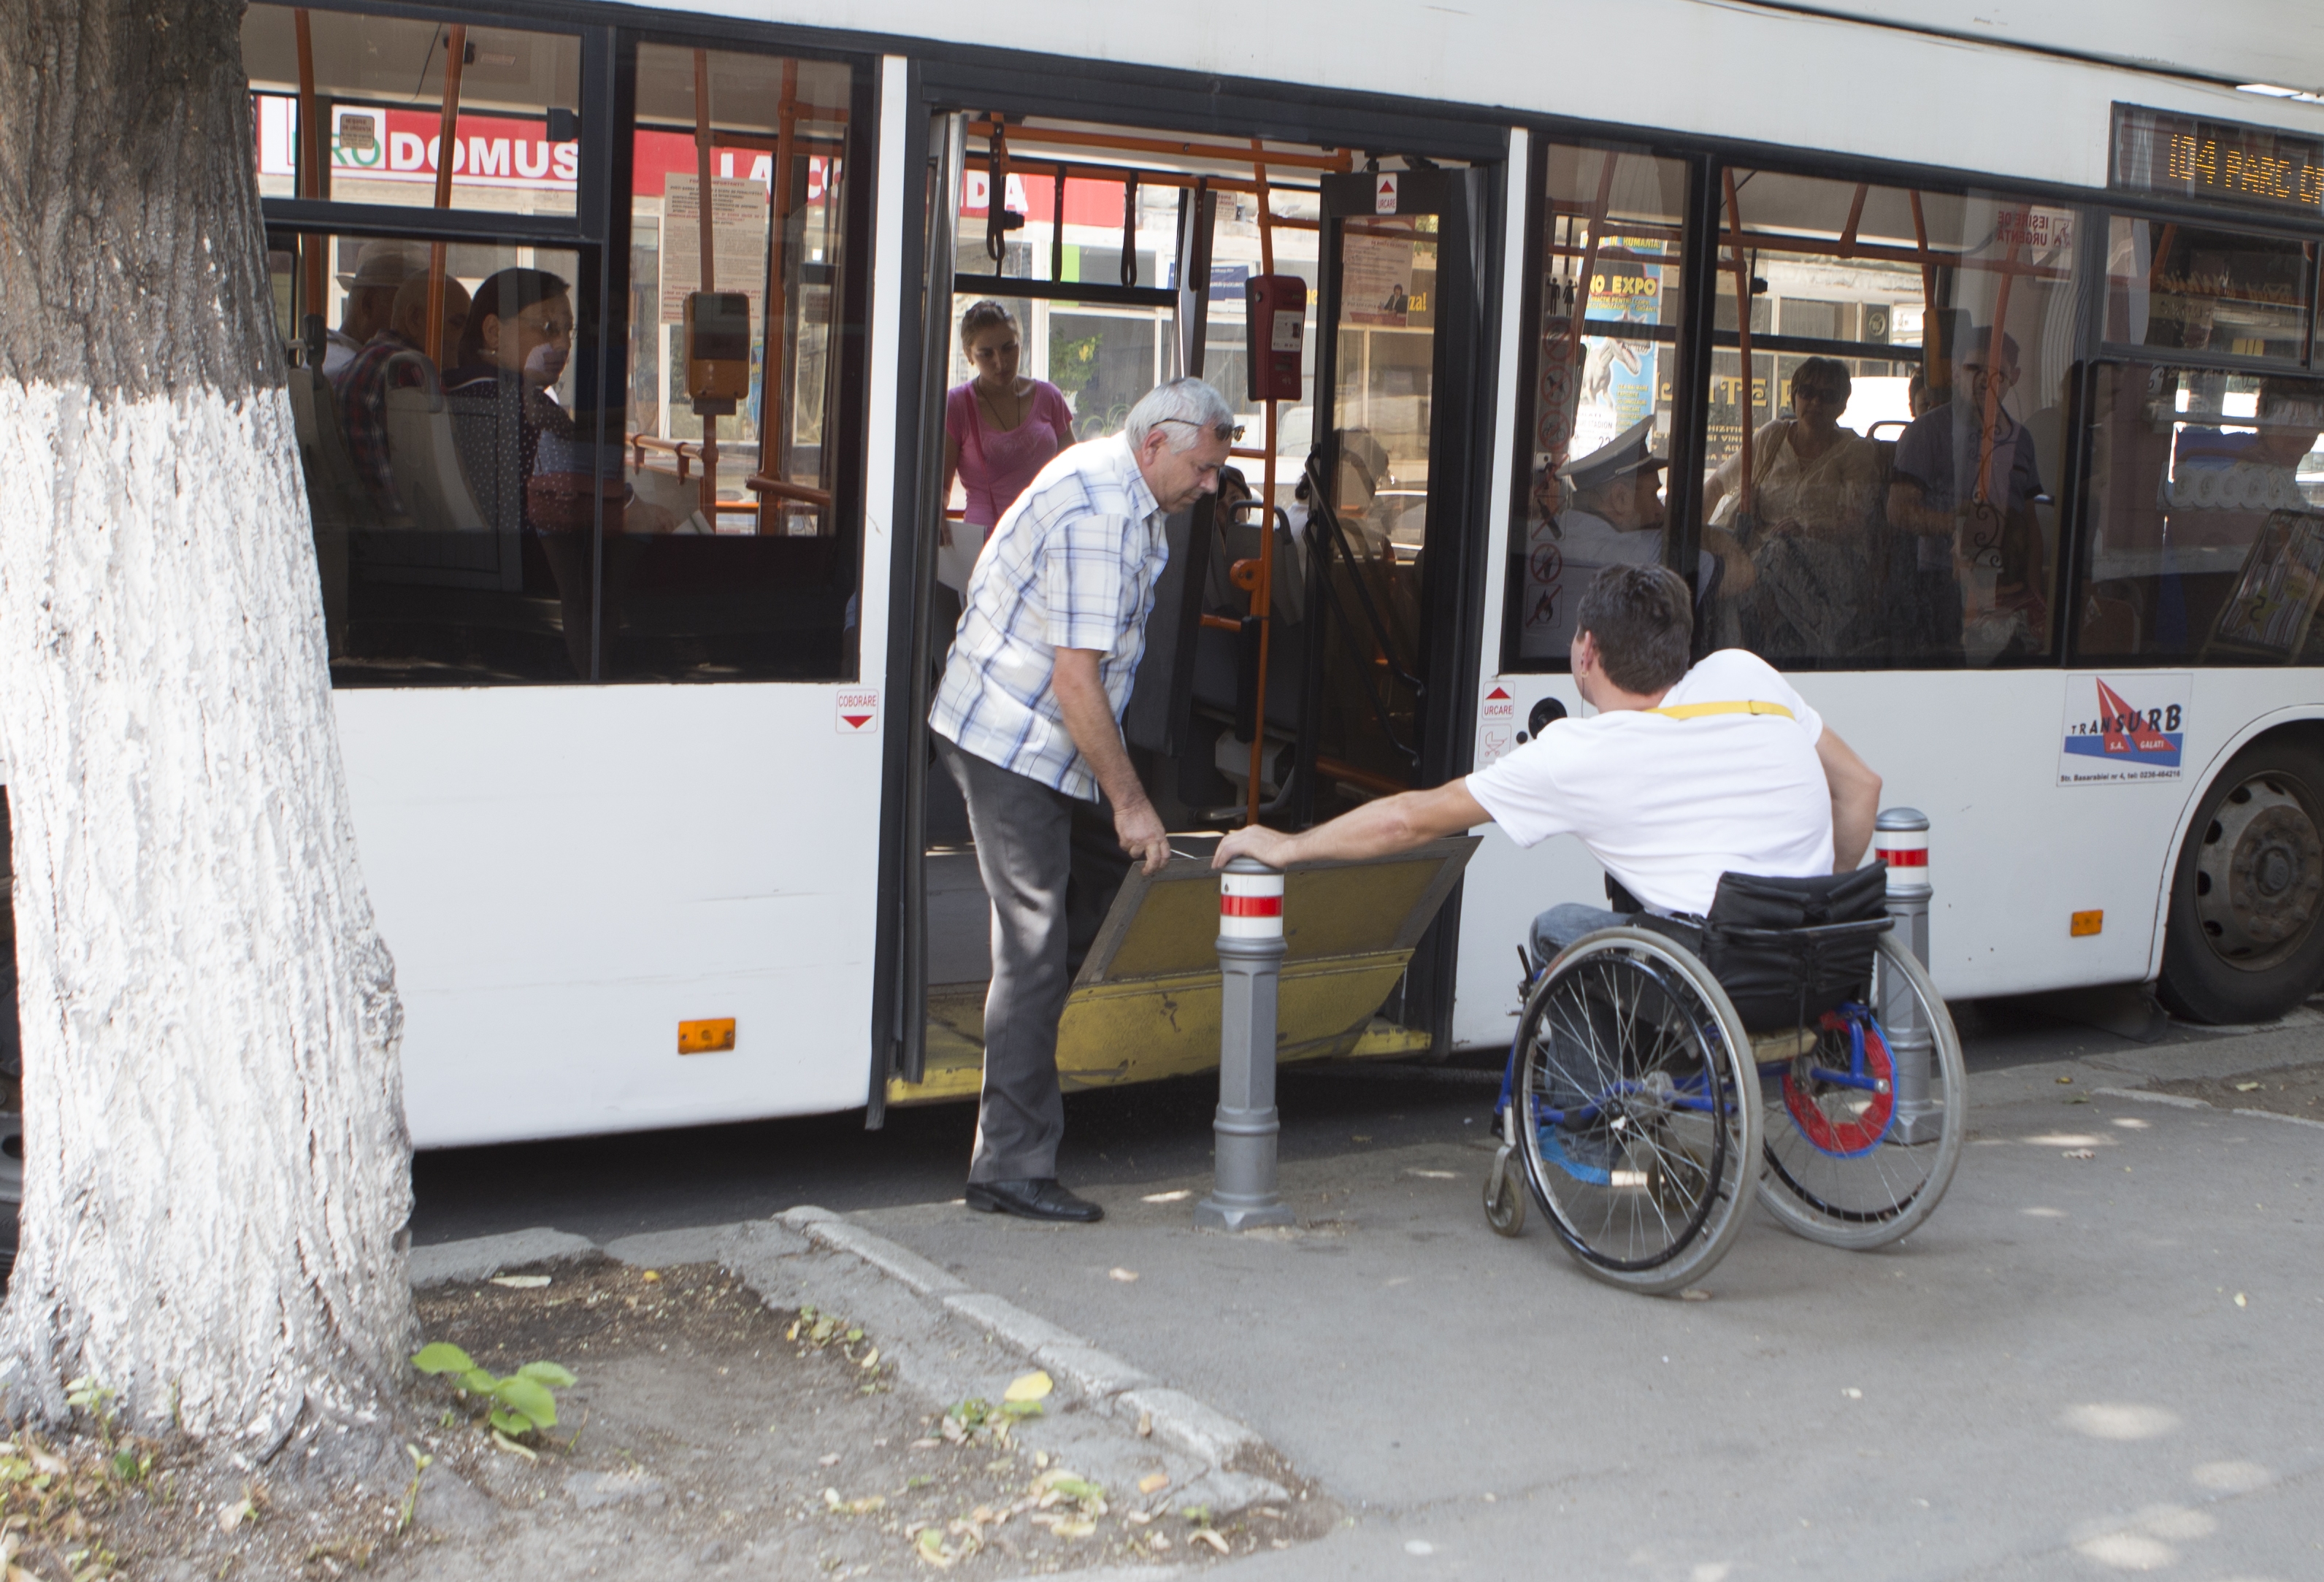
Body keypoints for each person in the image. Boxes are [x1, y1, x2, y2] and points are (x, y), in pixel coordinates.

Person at [1214, 563, 1883, 973]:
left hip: (1717, 965)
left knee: (1559, 929)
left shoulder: (1577, 754)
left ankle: (1585, 1138)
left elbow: (1408, 820)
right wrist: (1814, 904)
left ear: (1586, 651)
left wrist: (1289, 845)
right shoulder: (1744, 672)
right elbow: (1860, 788)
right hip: (1813, 955)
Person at [929, 377, 1237, 1223]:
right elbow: (1077, 682)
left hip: (1025, 727)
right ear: (1156, 447)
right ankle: (1011, 1164)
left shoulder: (1117, 479)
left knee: (1101, 889)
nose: (1210, 488)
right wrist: (1132, 803)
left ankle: (1021, 1067)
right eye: (1205, 470)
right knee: (1035, 939)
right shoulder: (1105, 513)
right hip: (1012, 736)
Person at [1701, 358, 1882, 656]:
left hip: (1830, 560)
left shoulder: (1855, 452)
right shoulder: (1773, 437)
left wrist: (1808, 530)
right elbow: (1718, 485)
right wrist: (1693, 536)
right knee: (1742, 561)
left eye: (1827, 396)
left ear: (1842, 405)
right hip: (1763, 555)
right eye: (1807, 392)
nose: (1814, 402)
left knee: (1773, 555)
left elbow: (1855, 525)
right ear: (1794, 396)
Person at [1887, 326, 2047, 658]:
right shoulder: (1927, 432)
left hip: (2006, 584)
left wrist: (2033, 589)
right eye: (1974, 368)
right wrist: (1960, 522)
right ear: (1956, 370)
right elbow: (1899, 510)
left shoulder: (2022, 440)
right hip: (1941, 579)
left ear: (2013, 377)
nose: (1984, 381)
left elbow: (2031, 520)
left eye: (1997, 373)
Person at [1523, 417, 1744, 656]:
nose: (1660, 510)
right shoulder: (1646, 552)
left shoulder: (1539, 533)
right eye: (1652, 495)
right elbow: (1743, 572)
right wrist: (1688, 527)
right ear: (1620, 499)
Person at [940, 302, 1075, 593]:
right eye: (986, 354)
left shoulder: (1048, 397)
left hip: (1047, 542)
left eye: (1008, 348)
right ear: (969, 356)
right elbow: (941, 485)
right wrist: (936, 510)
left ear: (1021, 345)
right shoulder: (958, 405)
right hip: (987, 547)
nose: (1000, 363)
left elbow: (1074, 470)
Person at [339, 272, 472, 515]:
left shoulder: (369, 357)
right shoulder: (410, 371)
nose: (467, 339)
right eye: (457, 323)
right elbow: (447, 486)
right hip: (402, 532)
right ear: (414, 319)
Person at [323, 242, 420, 387]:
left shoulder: (328, 356)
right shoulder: (360, 372)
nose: (415, 325)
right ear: (368, 304)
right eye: (403, 310)